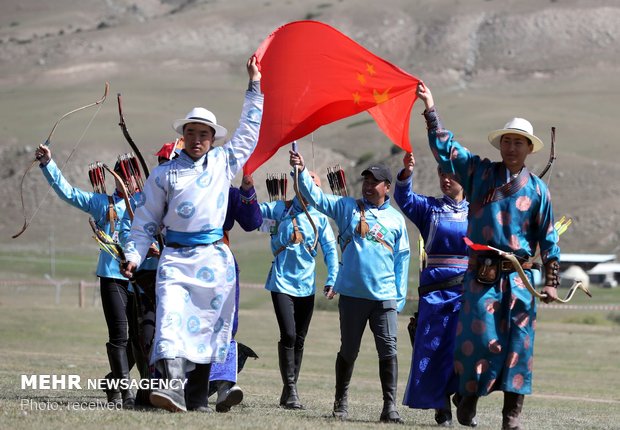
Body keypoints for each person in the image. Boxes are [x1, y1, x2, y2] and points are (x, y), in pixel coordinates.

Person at [120, 56, 263, 413]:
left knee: (207, 329)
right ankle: (169, 389)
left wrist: (254, 85)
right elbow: (145, 221)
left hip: (214, 260)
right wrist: (133, 256)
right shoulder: (164, 175)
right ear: (182, 136)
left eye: (204, 134)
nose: (197, 139)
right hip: (175, 261)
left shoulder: (223, 163)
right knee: (169, 322)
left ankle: (197, 399)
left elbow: (248, 131)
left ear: (213, 138)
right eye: (191, 132)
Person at [416, 81, 560, 430]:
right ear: (501, 146)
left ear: (529, 149)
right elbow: (447, 151)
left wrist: (552, 282)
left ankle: (511, 416)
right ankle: (467, 399)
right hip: (482, 277)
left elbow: (549, 239)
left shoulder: (539, 191)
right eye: (507, 141)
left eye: (519, 143)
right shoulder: (480, 172)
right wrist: (431, 110)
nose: (512, 147)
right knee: (477, 341)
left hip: (521, 280)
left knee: (519, 348)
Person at [289, 151, 410, 423]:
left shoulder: (396, 220)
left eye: (375, 181)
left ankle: (389, 407)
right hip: (353, 295)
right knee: (349, 350)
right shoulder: (346, 208)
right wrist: (301, 170)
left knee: (388, 350)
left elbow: (403, 260)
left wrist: (399, 299)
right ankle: (340, 402)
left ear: (387, 187)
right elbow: (317, 199)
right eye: (366, 180)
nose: (368, 185)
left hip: (385, 298)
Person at [35, 144, 136, 409]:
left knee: (140, 340)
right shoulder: (102, 203)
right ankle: (125, 392)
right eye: (122, 179)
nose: (127, 183)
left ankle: (113, 381)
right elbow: (68, 193)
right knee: (120, 337)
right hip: (113, 277)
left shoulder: (147, 206)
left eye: (130, 177)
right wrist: (48, 164)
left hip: (142, 279)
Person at [394, 153, 469, 426]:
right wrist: (406, 173)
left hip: (467, 291)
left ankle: (463, 395)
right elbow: (404, 199)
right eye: (442, 174)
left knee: (464, 348)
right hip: (435, 290)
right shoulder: (429, 208)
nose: (446, 179)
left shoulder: (479, 211)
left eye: (452, 175)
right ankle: (441, 407)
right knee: (433, 349)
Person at [258, 170, 338, 410]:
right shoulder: (280, 209)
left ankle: (288, 390)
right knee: (289, 335)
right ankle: (291, 389)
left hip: (307, 286)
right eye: (305, 183)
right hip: (281, 283)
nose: (309, 188)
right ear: (297, 185)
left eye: (314, 185)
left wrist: (333, 277)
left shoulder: (321, 219)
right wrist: (245, 194)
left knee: (300, 340)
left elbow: (331, 251)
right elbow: (252, 213)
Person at [208, 173, 263, 412]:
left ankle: (224, 388)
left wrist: (247, 190)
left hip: (221, 265)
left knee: (226, 326)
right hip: (184, 263)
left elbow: (252, 222)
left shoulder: (227, 191)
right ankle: (175, 386)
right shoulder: (176, 185)